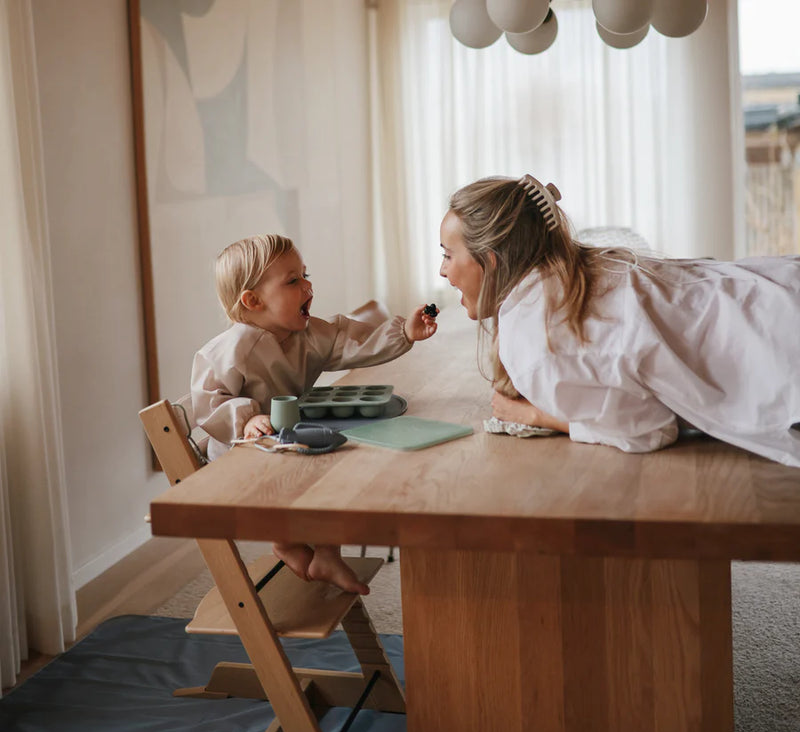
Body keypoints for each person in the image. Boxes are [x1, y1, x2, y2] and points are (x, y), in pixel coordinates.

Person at [439, 173, 800, 467]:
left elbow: (648, 429)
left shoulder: (537, 345)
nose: (442, 271)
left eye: (448, 255)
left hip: (781, 352)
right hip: (774, 294)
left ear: (490, 261)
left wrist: (537, 416)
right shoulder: (575, 273)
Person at [192, 234, 438, 593]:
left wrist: (403, 332)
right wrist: (246, 417)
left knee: (335, 463)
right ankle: (291, 542)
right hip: (241, 456)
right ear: (253, 300)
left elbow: (349, 339)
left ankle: (321, 551)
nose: (308, 285)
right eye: (293, 281)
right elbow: (208, 400)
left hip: (286, 446)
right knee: (323, 474)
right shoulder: (231, 349)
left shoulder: (306, 334)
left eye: (305, 275)